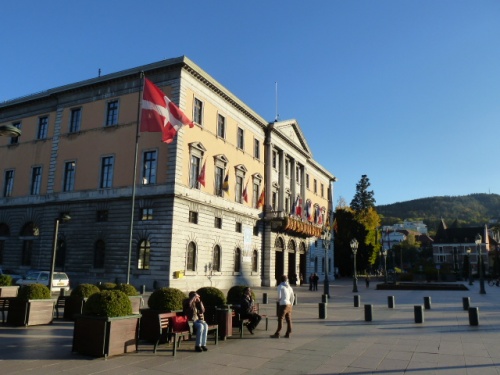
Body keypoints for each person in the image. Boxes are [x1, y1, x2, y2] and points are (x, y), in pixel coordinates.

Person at [270, 275, 295, 339]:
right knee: (288, 319)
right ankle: (288, 333)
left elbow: (279, 297)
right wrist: (291, 304)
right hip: (289, 304)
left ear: (280, 280)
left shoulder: (280, 286)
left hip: (283, 304)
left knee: (280, 318)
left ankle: (277, 333)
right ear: (287, 280)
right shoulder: (289, 287)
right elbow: (293, 297)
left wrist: (277, 300)